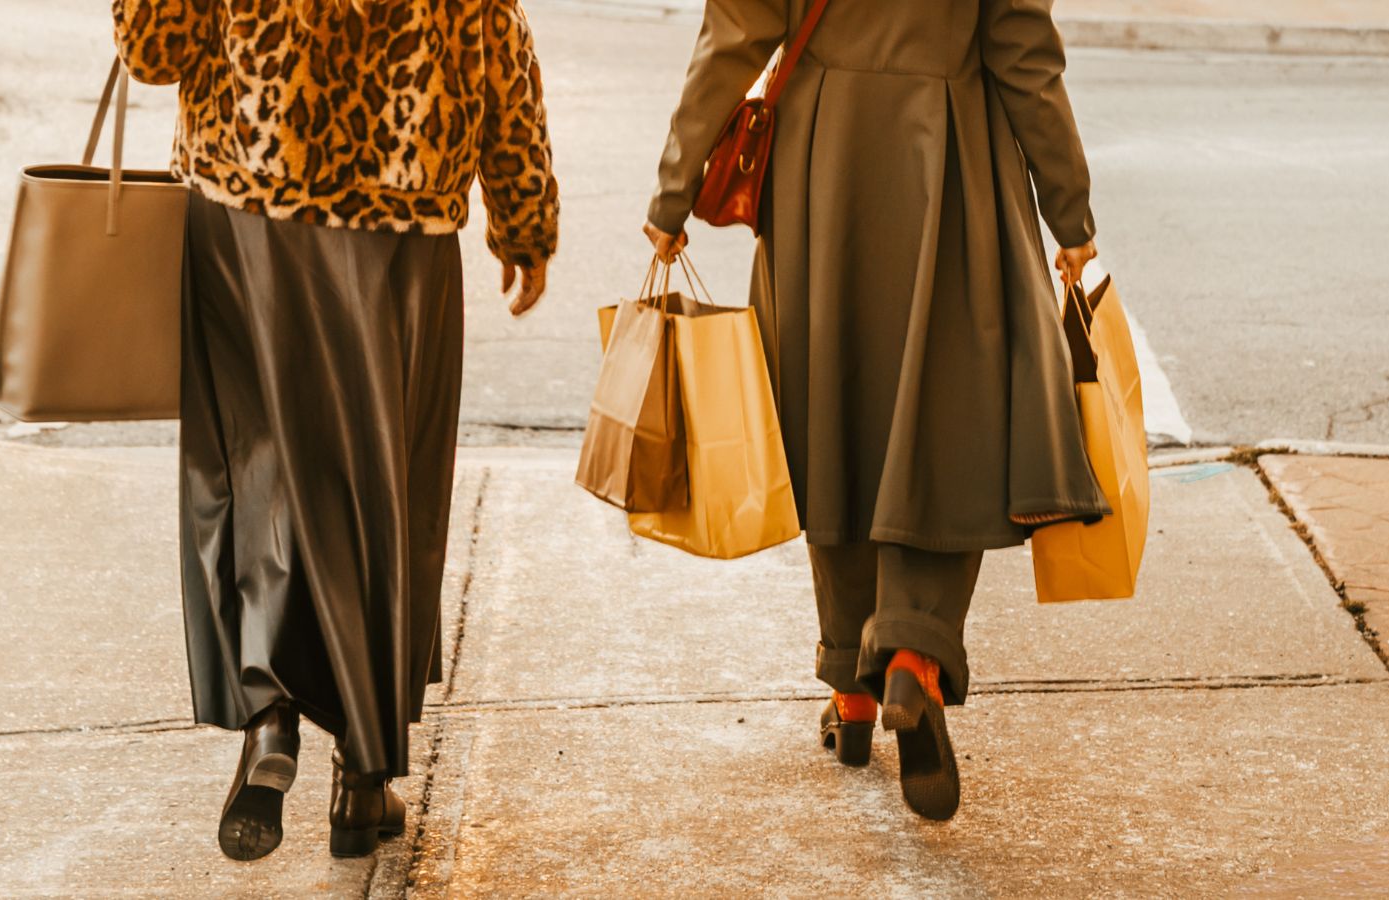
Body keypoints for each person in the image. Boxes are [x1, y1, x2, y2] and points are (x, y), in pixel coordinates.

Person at [112, 0, 558, 860]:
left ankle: (268, 714)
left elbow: (151, 47)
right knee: (388, 482)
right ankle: (362, 773)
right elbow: (495, 40)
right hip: (405, 224)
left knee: (251, 462)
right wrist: (523, 216)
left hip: (248, 205)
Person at [646, 0, 1108, 821]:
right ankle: (910, 657)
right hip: (954, 153)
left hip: (824, 167)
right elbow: (1023, 52)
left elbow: (734, 35)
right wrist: (1068, 210)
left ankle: (848, 686)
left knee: (834, 408)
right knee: (941, 414)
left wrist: (674, 190)